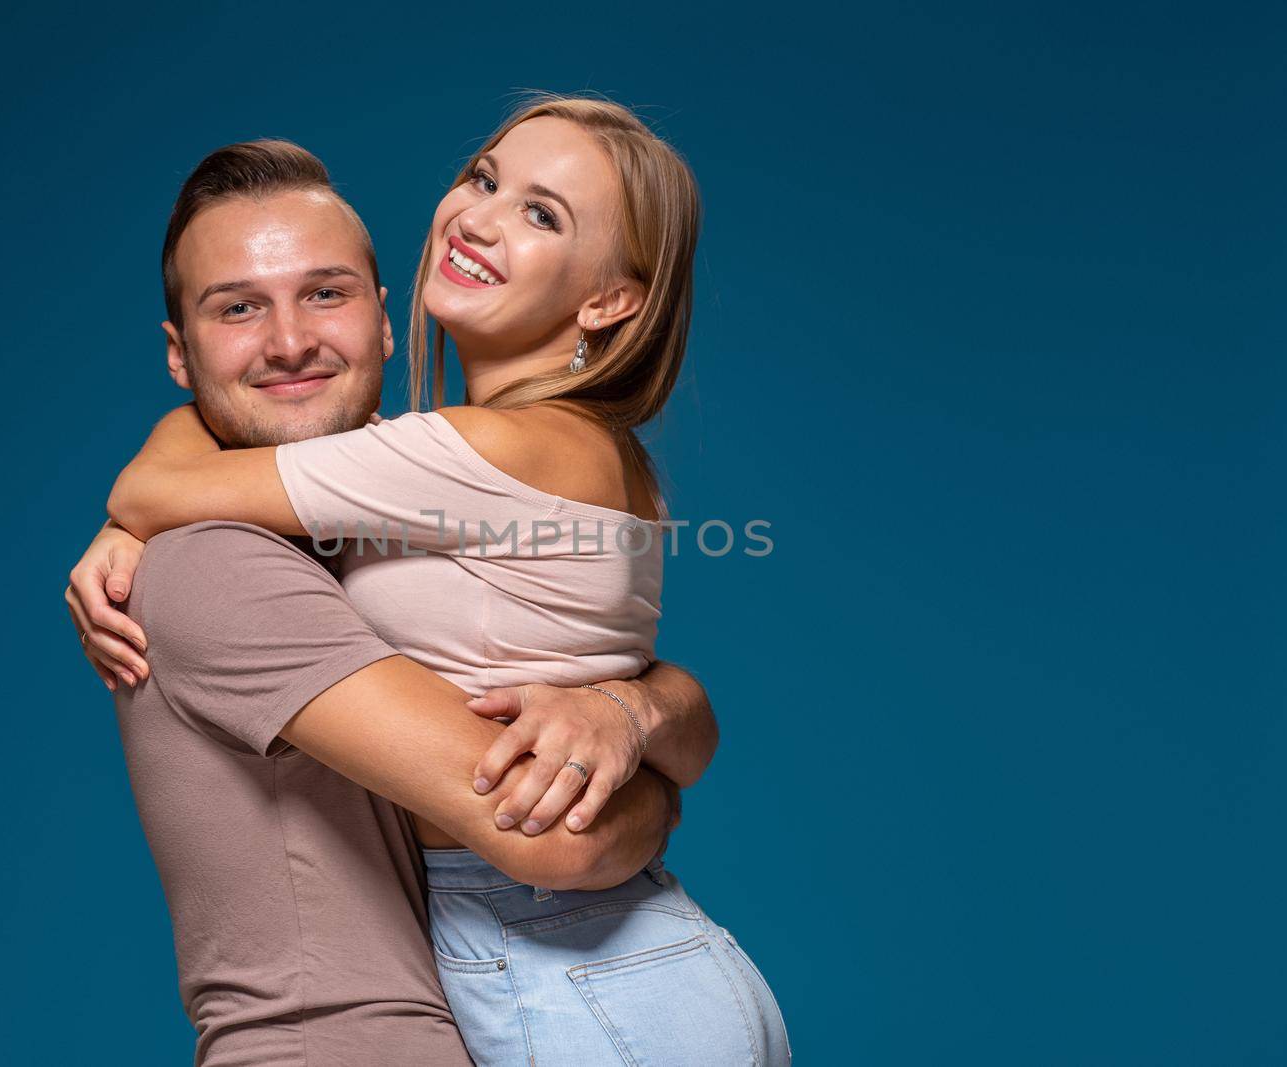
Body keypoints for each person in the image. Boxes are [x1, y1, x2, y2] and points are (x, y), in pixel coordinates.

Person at [82, 95, 791, 1064]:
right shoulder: (460, 470)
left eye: (544, 214)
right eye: (486, 179)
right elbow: (181, 488)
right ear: (181, 350)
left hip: (575, 975)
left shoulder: (481, 450)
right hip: (609, 963)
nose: (483, 217)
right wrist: (644, 723)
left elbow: (160, 486)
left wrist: (134, 513)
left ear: (607, 299)